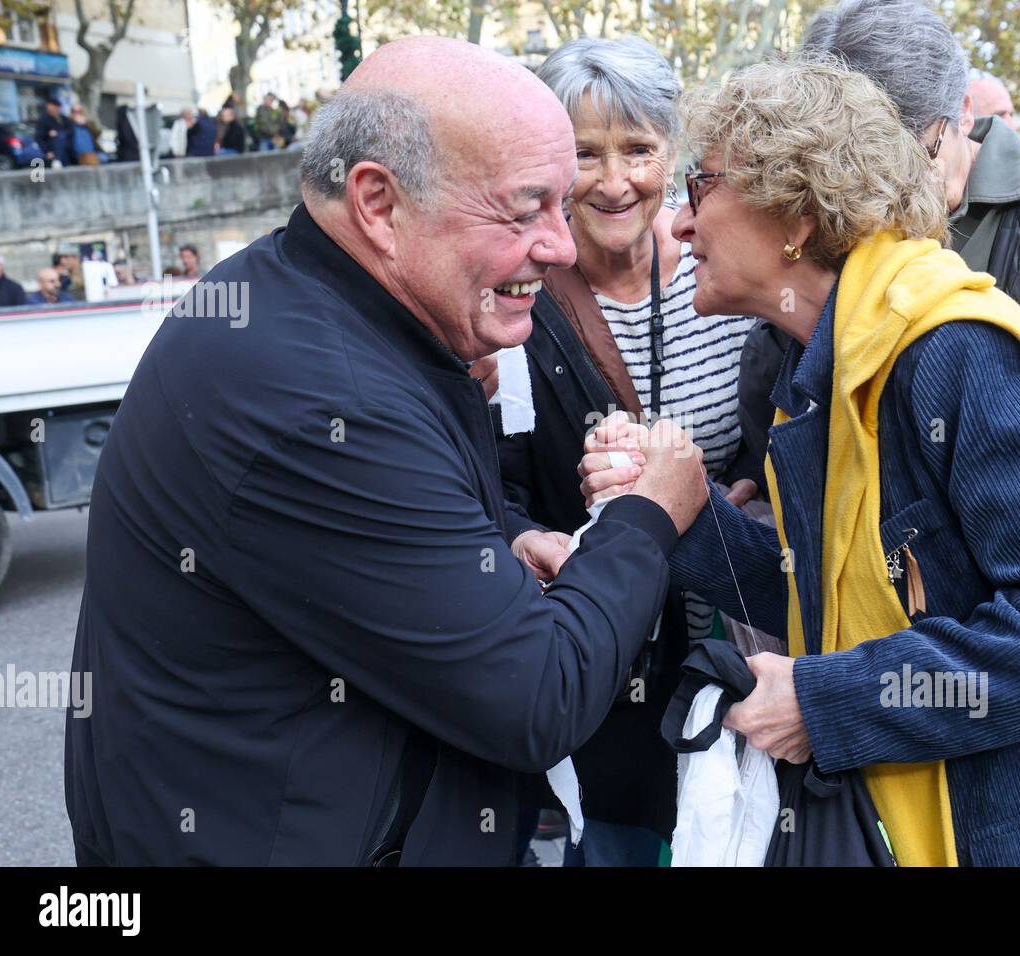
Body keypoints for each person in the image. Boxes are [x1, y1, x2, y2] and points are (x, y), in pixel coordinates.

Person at [65, 35, 704, 867]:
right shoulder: (327, 399)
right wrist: (648, 514)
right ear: (377, 203)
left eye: (561, 204)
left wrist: (495, 551)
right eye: (523, 210)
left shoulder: (309, 299)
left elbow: (343, 558)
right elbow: (537, 697)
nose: (562, 246)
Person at [582, 54, 1020, 866]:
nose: (677, 222)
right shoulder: (830, 365)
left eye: (701, 186)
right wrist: (682, 509)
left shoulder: (951, 353)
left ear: (796, 214)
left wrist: (827, 702)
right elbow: (834, 602)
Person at [496, 36, 758, 867]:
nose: (614, 183)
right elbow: (490, 482)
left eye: (638, 149)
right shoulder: (515, 297)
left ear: (673, 154)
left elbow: (784, 438)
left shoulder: (731, 277)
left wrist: (742, 492)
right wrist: (539, 531)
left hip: (739, 640)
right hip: (603, 660)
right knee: (619, 842)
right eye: (584, 155)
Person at [733, 0, 1020, 475]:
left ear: (963, 113)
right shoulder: (829, 204)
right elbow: (778, 396)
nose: (893, 190)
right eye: (862, 171)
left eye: (917, 157)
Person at [35, 97, 70, 166]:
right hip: (52, 149)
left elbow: (70, 131)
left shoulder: (64, 119)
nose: (54, 110)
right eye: (51, 107)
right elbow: (39, 137)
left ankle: (58, 159)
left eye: (56, 108)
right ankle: (57, 159)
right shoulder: (43, 120)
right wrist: (47, 151)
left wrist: (59, 133)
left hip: (66, 150)